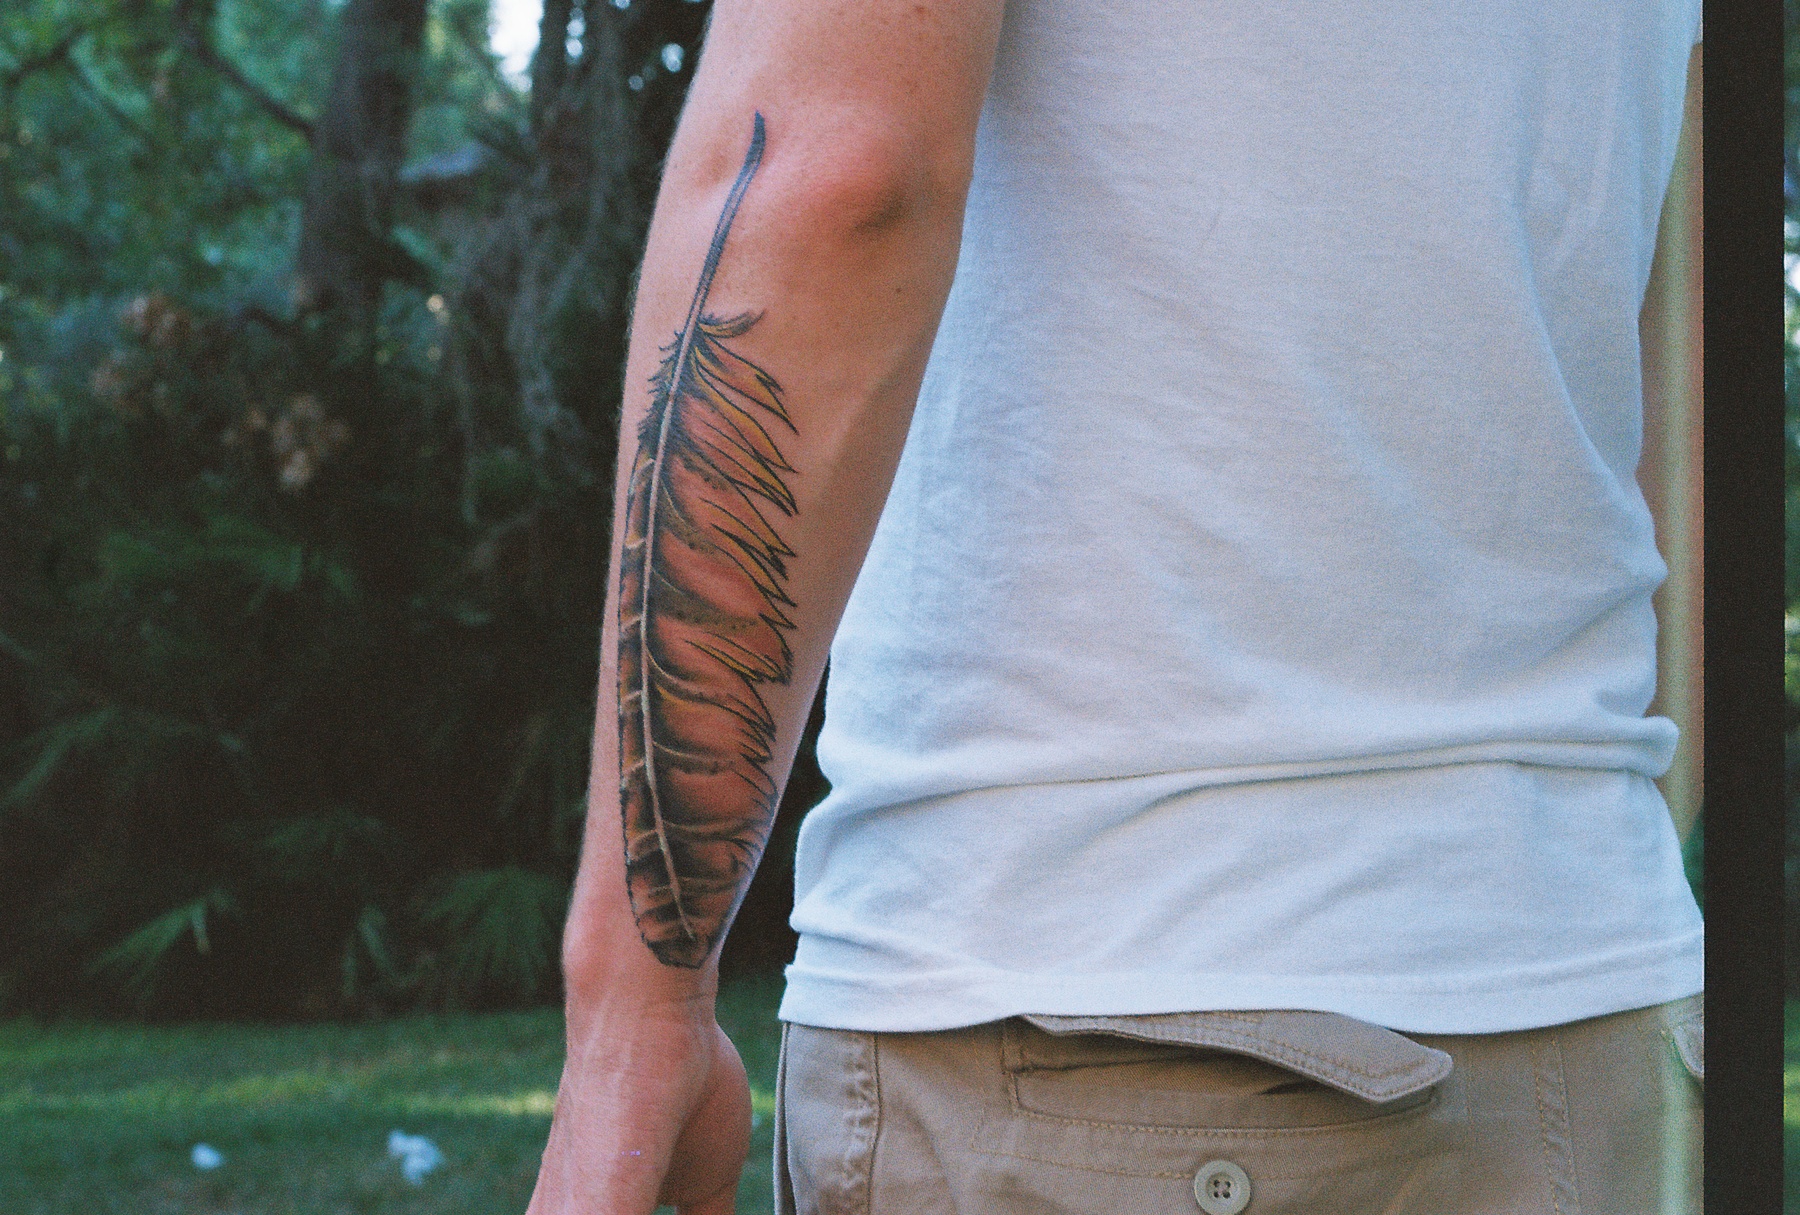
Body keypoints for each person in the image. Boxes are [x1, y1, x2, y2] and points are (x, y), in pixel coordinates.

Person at [524, 0, 1706, 1210]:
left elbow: (832, 178)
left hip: (1102, 1025)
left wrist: (638, 1001)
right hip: (1607, 1022)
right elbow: (1653, 354)